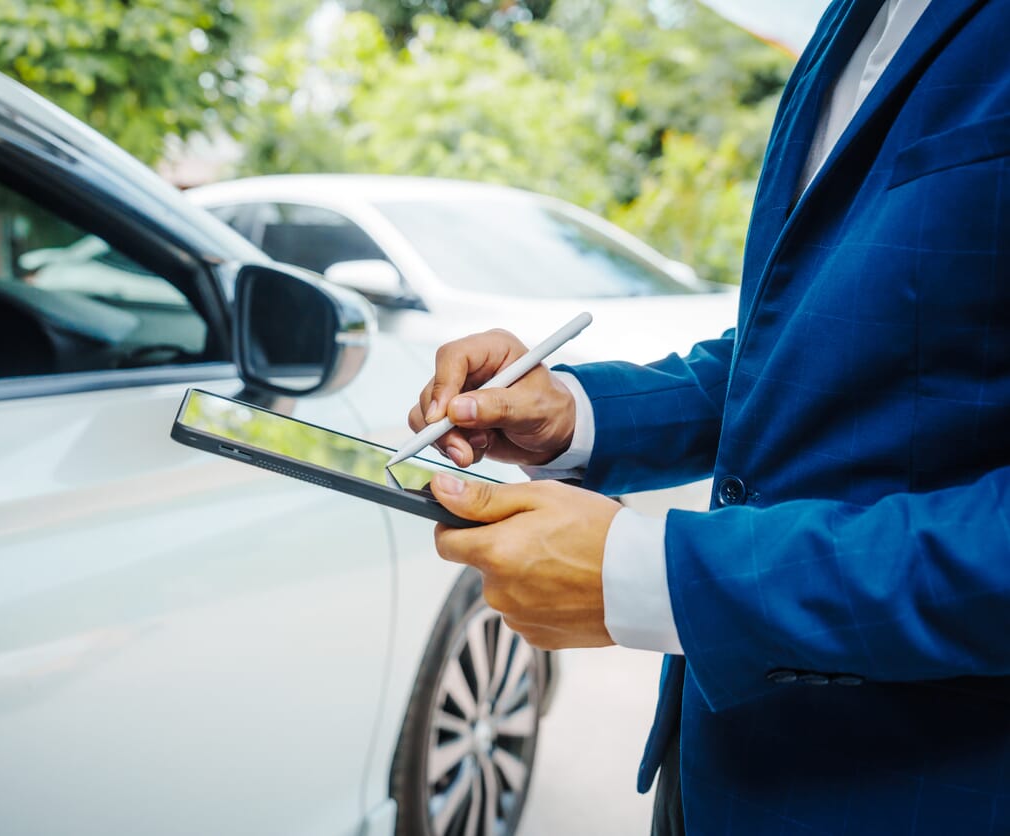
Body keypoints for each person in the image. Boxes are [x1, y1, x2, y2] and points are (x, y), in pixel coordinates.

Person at [407, 0, 1010, 832]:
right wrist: (579, 416)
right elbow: (807, 351)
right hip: (714, 773)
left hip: (923, 793)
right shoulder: (849, 23)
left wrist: (666, 582)